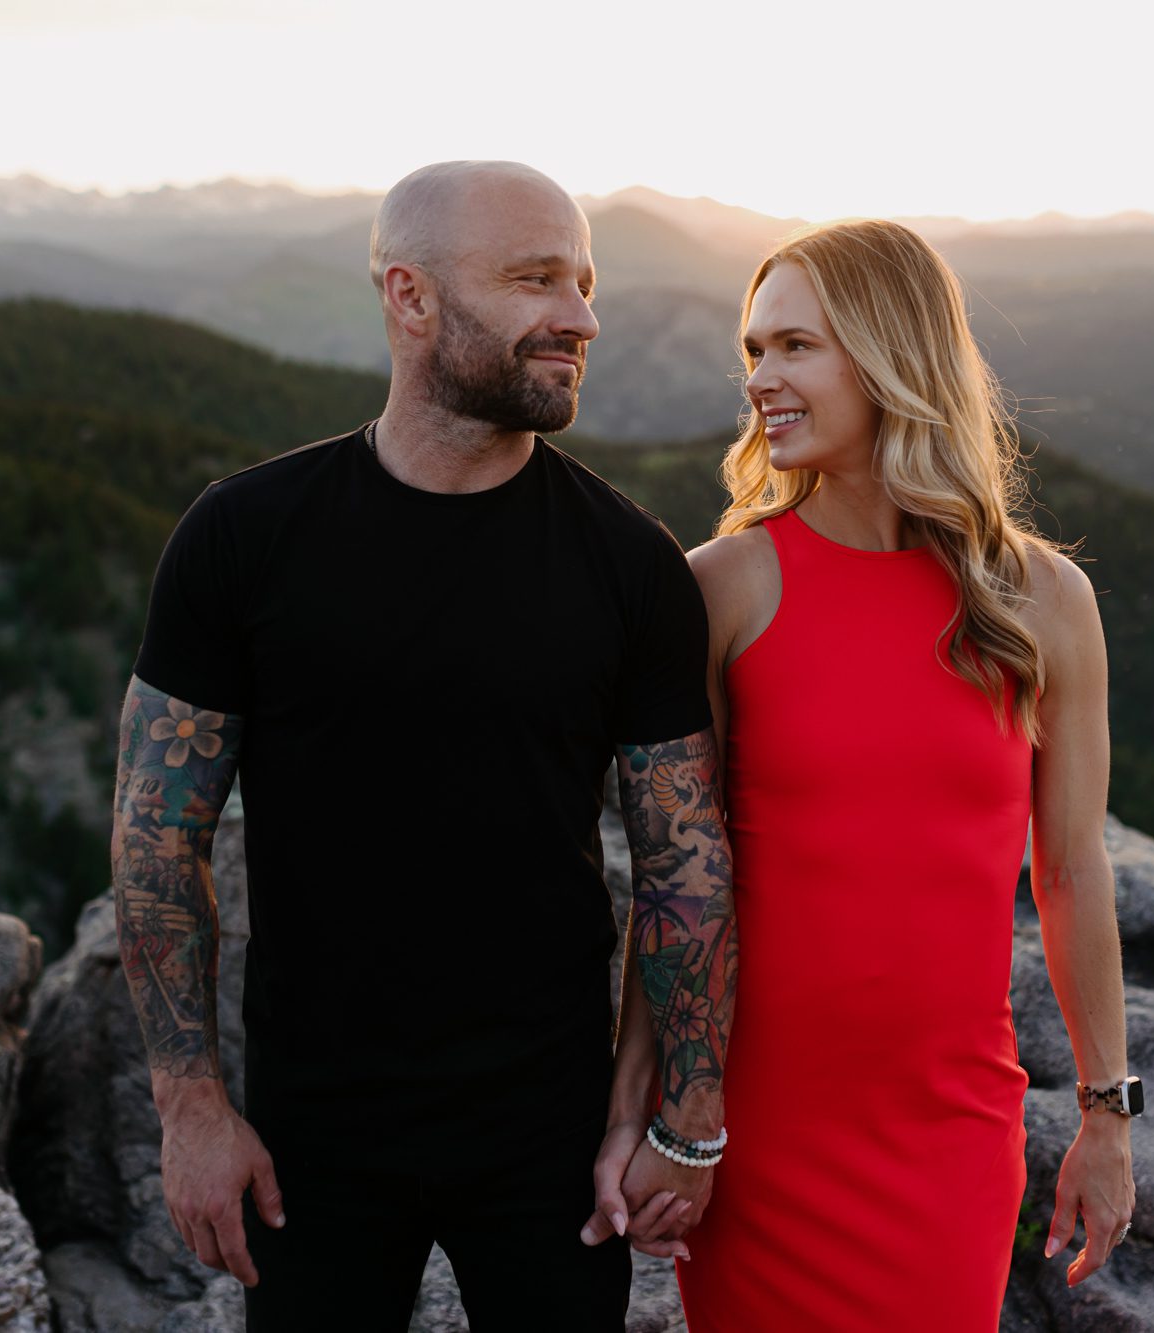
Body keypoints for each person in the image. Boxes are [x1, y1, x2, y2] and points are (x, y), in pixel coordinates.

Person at [109, 160, 739, 1331]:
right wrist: (191, 1106)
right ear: (408, 295)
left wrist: (684, 1121)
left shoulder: (630, 564)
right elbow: (157, 837)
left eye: (586, 283)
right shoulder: (242, 536)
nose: (581, 317)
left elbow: (683, 867)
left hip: (549, 1138)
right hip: (310, 1137)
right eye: (536, 279)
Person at [583, 219, 1139, 1328]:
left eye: (796, 346)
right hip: (757, 1131)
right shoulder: (723, 587)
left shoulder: (1042, 601)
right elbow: (679, 883)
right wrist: (641, 1111)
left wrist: (1107, 1116)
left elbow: (1072, 871)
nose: (760, 379)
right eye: (754, 350)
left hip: (950, 1129)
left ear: (892, 354)